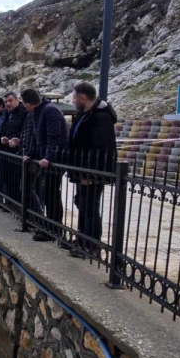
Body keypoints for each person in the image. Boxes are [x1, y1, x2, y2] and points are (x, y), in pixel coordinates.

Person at [66, 81, 118, 257]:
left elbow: (100, 148)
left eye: (74, 97)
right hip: (82, 171)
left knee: (90, 207)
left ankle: (92, 245)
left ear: (83, 97)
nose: (73, 101)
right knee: (82, 203)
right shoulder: (85, 114)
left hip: (92, 173)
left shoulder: (101, 116)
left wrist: (90, 174)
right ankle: (82, 238)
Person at [22, 88, 68, 241]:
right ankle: (50, 226)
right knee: (48, 193)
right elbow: (36, 137)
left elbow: (53, 137)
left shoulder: (49, 111)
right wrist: (30, 153)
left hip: (55, 161)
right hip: (46, 160)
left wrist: (48, 157)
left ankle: (55, 229)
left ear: (28, 103)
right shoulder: (37, 112)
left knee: (52, 194)